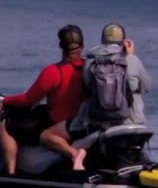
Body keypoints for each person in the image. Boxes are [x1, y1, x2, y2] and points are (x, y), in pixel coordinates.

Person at [41, 22, 150, 154]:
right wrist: (131, 56)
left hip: (97, 122)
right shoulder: (131, 60)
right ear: (123, 41)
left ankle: (74, 154)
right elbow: (146, 87)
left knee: (48, 134)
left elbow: (87, 86)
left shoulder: (90, 62)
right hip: (130, 121)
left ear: (102, 40)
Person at [0, 25, 88, 174]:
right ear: (82, 46)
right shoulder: (89, 69)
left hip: (57, 124)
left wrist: (6, 100)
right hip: (81, 123)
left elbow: (28, 99)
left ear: (60, 46)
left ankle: (11, 174)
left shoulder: (54, 72)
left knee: (6, 125)